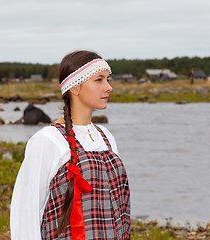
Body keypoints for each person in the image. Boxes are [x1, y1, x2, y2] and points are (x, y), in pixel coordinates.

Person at [10, 50, 130, 239]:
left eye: (108, 79)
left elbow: (119, 208)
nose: (108, 87)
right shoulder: (48, 140)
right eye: (99, 80)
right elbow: (27, 211)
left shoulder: (106, 137)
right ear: (75, 87)